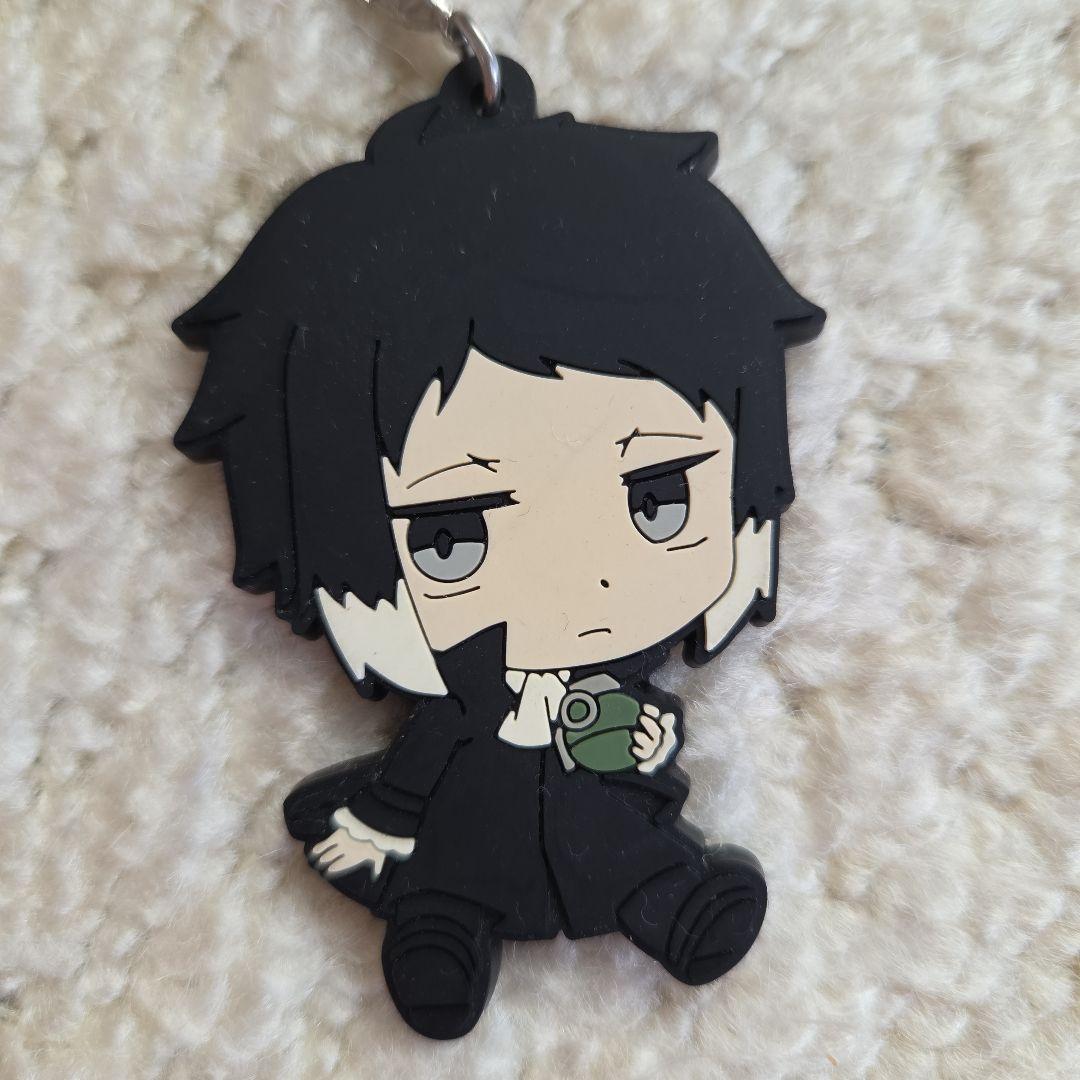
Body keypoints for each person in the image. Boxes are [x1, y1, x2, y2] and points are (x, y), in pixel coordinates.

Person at [174, 59, 825, 1039]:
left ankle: (679, 908)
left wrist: (643, 741)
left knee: (637, 856)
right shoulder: (459, 701)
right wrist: (380, 821)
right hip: (474, 836)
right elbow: (416, 768)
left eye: (656, 498)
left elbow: (636, 739)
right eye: (454, 535)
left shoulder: (607, 686)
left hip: (599, 825)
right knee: (449, 890)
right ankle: (438, 941)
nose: (587, 577)